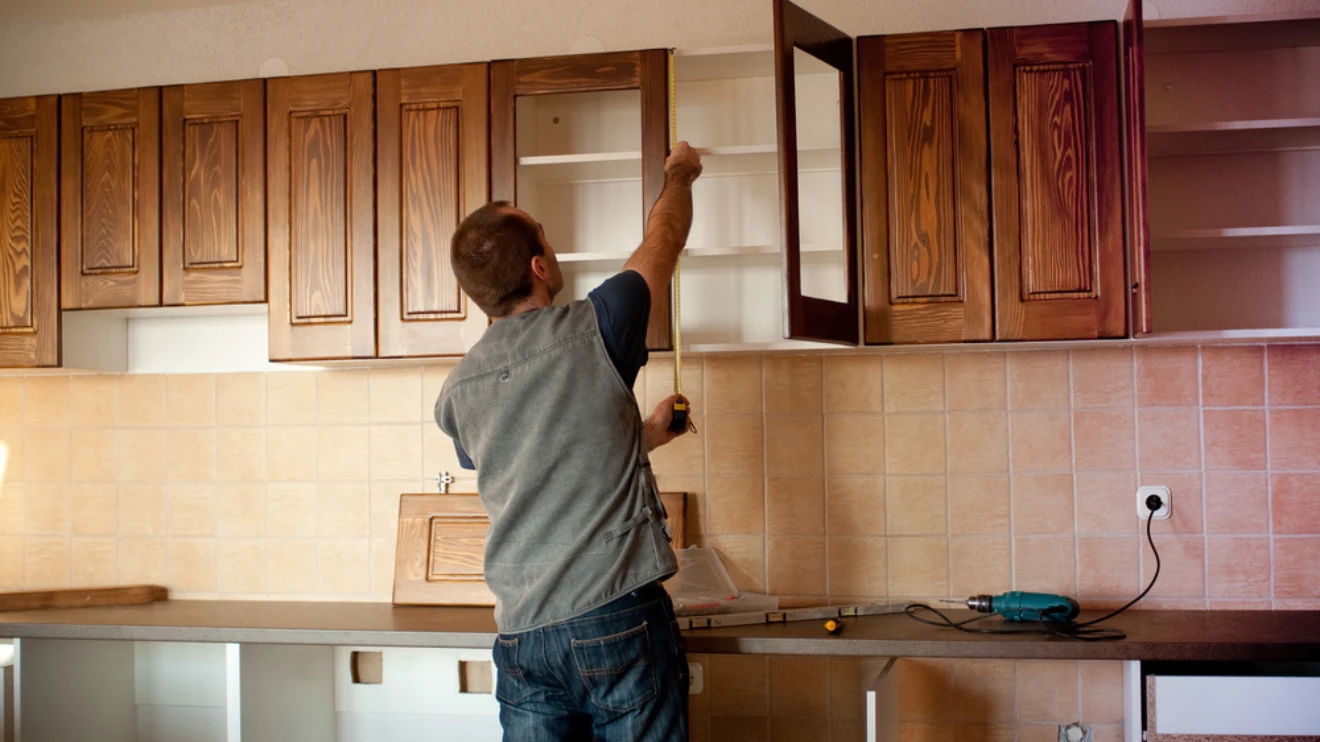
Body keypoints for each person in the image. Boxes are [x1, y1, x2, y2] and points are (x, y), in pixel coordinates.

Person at [435, 141, 704, 741]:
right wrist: (680, 174)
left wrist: (644, 438)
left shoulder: (456, 394)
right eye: (544, 238)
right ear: (539, 267)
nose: (552, 248)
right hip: (616, 618)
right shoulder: (598, 326)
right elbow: (663, 241)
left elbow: (537, 459)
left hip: (524, 638)